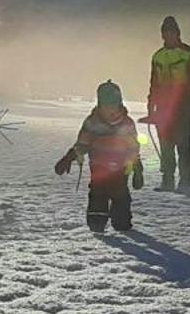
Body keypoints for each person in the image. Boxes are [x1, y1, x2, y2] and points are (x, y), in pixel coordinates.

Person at [52, 80, 145, 232]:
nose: (110, 111)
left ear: (120, 104)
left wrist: (137, 167)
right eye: (106, 106)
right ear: (99, 105)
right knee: (98, 193)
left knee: (120, 193)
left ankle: (121, 222)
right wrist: (69, 157)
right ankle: (97, 222)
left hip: (121, 167)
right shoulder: (92, 122)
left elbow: (133, 147)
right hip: (99, 166)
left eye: (113, 106)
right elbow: (83, 143)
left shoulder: (126, 123)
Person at [146, 15, 190, 193]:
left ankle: (185, 180)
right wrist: (151, 104)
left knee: (183, 143)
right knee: (166, 144)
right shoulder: (157, 56)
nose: (168, 36)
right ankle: (167, 179)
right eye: (165, 33)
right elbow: (154, 82)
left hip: (183, 105)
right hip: (163, 106)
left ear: (177, 33)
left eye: (171, 32)